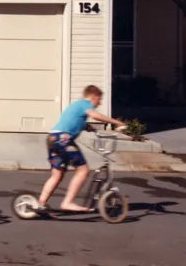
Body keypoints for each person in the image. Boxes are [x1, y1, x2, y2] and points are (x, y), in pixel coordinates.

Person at [38, 84, 125, 212]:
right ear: (93, 97)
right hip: (63, 138)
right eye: (99, 99)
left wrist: (87, 127)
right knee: (83, 170)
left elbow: (73, 120)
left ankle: (40, 203)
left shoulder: (77, 106)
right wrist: (117, 122)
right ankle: (67, 202)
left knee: (57, 174)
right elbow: (94, 115)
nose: (99, 103)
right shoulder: (85, 104)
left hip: (53, 138)